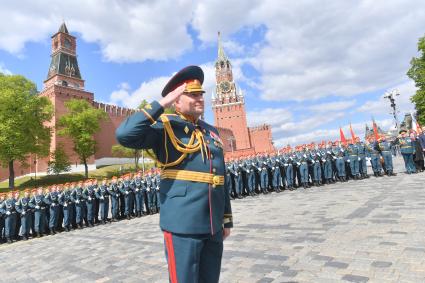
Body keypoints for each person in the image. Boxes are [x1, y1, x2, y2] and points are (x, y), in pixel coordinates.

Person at [116, 65, 232, 283]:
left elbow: (220, 177)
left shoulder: (211, 132)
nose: (199, 99)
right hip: (183, 224)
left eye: (201, 94)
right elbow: (124, 135)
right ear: (177, 100)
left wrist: (226, 220)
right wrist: (162, 104)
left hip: (213, 223)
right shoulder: (165, 127)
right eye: (191, 95)